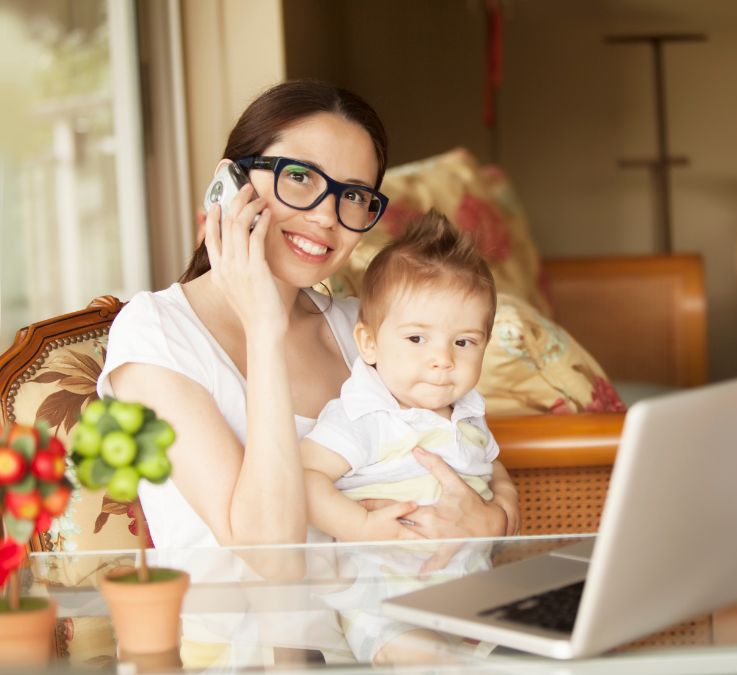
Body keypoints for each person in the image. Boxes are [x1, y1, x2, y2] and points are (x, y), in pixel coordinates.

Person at [96, 80, 519, 548]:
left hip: (394, 605)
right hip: (256, 620)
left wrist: (494, 521)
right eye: (299, 177)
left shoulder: (364, 329)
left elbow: (469, 448)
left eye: (354, 196)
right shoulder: (156, 332)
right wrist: (263, 328)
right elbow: (269, 556)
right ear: (230, 185)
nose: (326, 216)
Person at [300, 210, 519, 541]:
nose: (443, 359)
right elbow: (303, 476)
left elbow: (492, 466)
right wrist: (360, 526)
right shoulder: (366, 415)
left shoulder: (469, 413)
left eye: (463, 342)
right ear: (369, 344)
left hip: (464, 583)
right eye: (417, 339)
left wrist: (504, 507)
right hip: (382, 583)